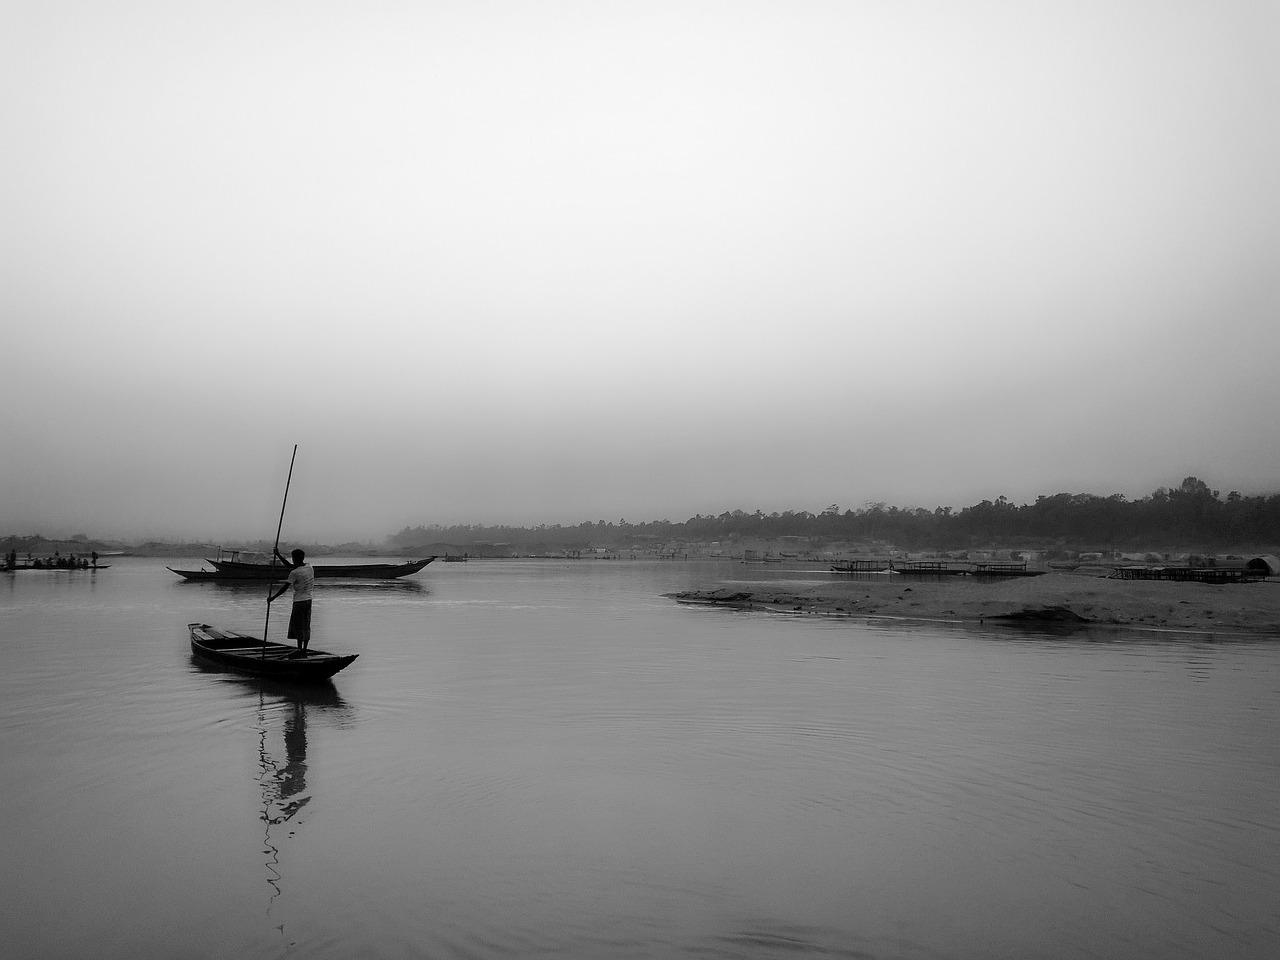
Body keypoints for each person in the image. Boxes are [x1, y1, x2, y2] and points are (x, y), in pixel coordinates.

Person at [267, 548, 316, 655]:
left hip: (299, 602)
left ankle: (299, 649)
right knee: (306, 624)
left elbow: (284, 588)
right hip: (308, 600)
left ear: (294, 559)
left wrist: (272, 598)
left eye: (293, 558)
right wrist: (278, 555)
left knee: (298, 625)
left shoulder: (294, 573)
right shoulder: (309, 567)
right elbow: (289, 566)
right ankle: (304, 649)